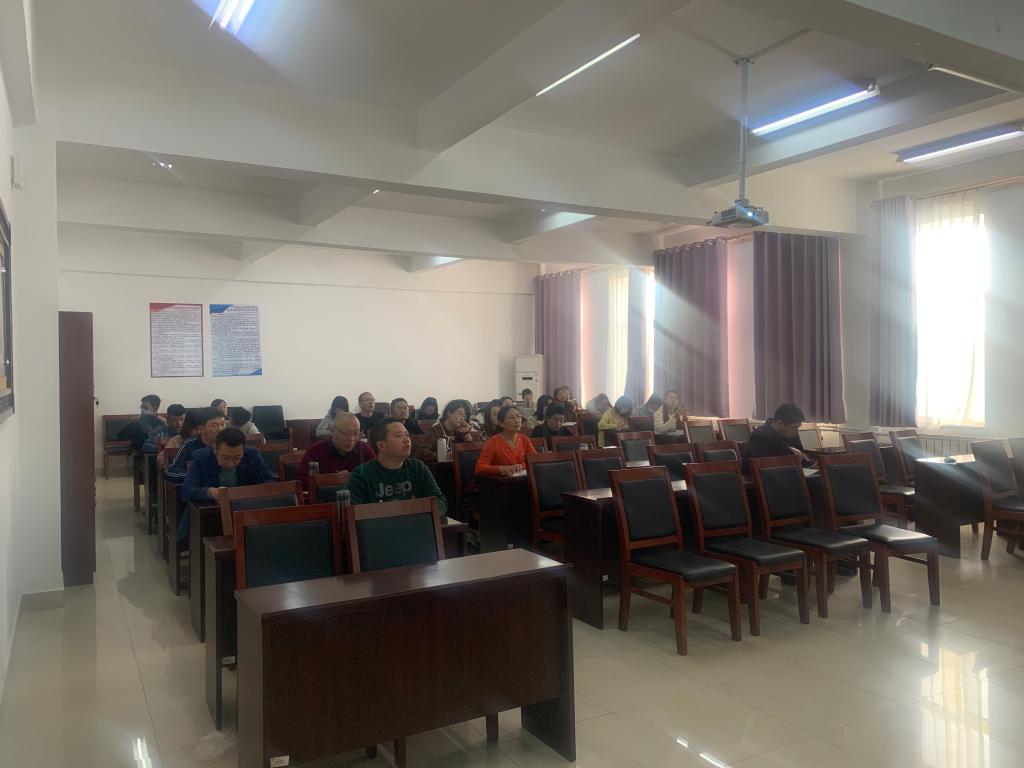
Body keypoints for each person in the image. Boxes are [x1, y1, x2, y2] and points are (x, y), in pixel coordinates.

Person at [179, 427, 276, 539]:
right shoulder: (201, 458)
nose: (231, 464)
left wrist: (249, 493)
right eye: (225, 458)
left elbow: (269, 483)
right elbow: (186, 490)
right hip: (210, 518)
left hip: (246, 513)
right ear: (215, 449)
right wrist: (212, 492)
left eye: (237, 458)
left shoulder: (252, 455)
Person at [346, 418, 447, 516]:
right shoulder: (362, 474)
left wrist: (422, 513)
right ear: (381, 445)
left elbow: (440, 501)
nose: (407, 440)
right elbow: (352, 512)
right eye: (399, 436)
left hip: (416, 524)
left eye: (407, 435)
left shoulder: (417, 468)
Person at [297, 412, 376, 485]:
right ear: (332, 431)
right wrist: (332, 479)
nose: (351, 439)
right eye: (345, 434)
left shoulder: (364, 449)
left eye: (356, 434)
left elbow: (377, 475)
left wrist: (353, 477)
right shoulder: (315, 451)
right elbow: (301, 482)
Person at [165, 407, 226, 486]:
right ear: (201, 429)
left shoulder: (229, 443)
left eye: (223, 424)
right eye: (214, 425)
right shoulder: (190, 445)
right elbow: (171, 473)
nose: (221, 429)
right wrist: (196, 475)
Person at [744, 403, 814, 469]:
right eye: (794, 427)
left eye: (798, 427)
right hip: (763, 474)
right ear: (780, 423)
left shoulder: (790, 433)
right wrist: (792, 452)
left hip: (786, 471)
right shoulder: (761, 435)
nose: (796, 431)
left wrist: (812, 464)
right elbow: (786, 456)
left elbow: (801, 455)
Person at [476, 405, 536, 476]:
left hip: (524, 479)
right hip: (501, 481)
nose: (517, 420)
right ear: (501, 423)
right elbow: (479, 468)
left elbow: (535, 460)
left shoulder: (524, 439)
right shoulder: (493, 442)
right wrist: (500, 469)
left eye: (518, 416)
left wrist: (521, 466)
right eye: (512, 418)